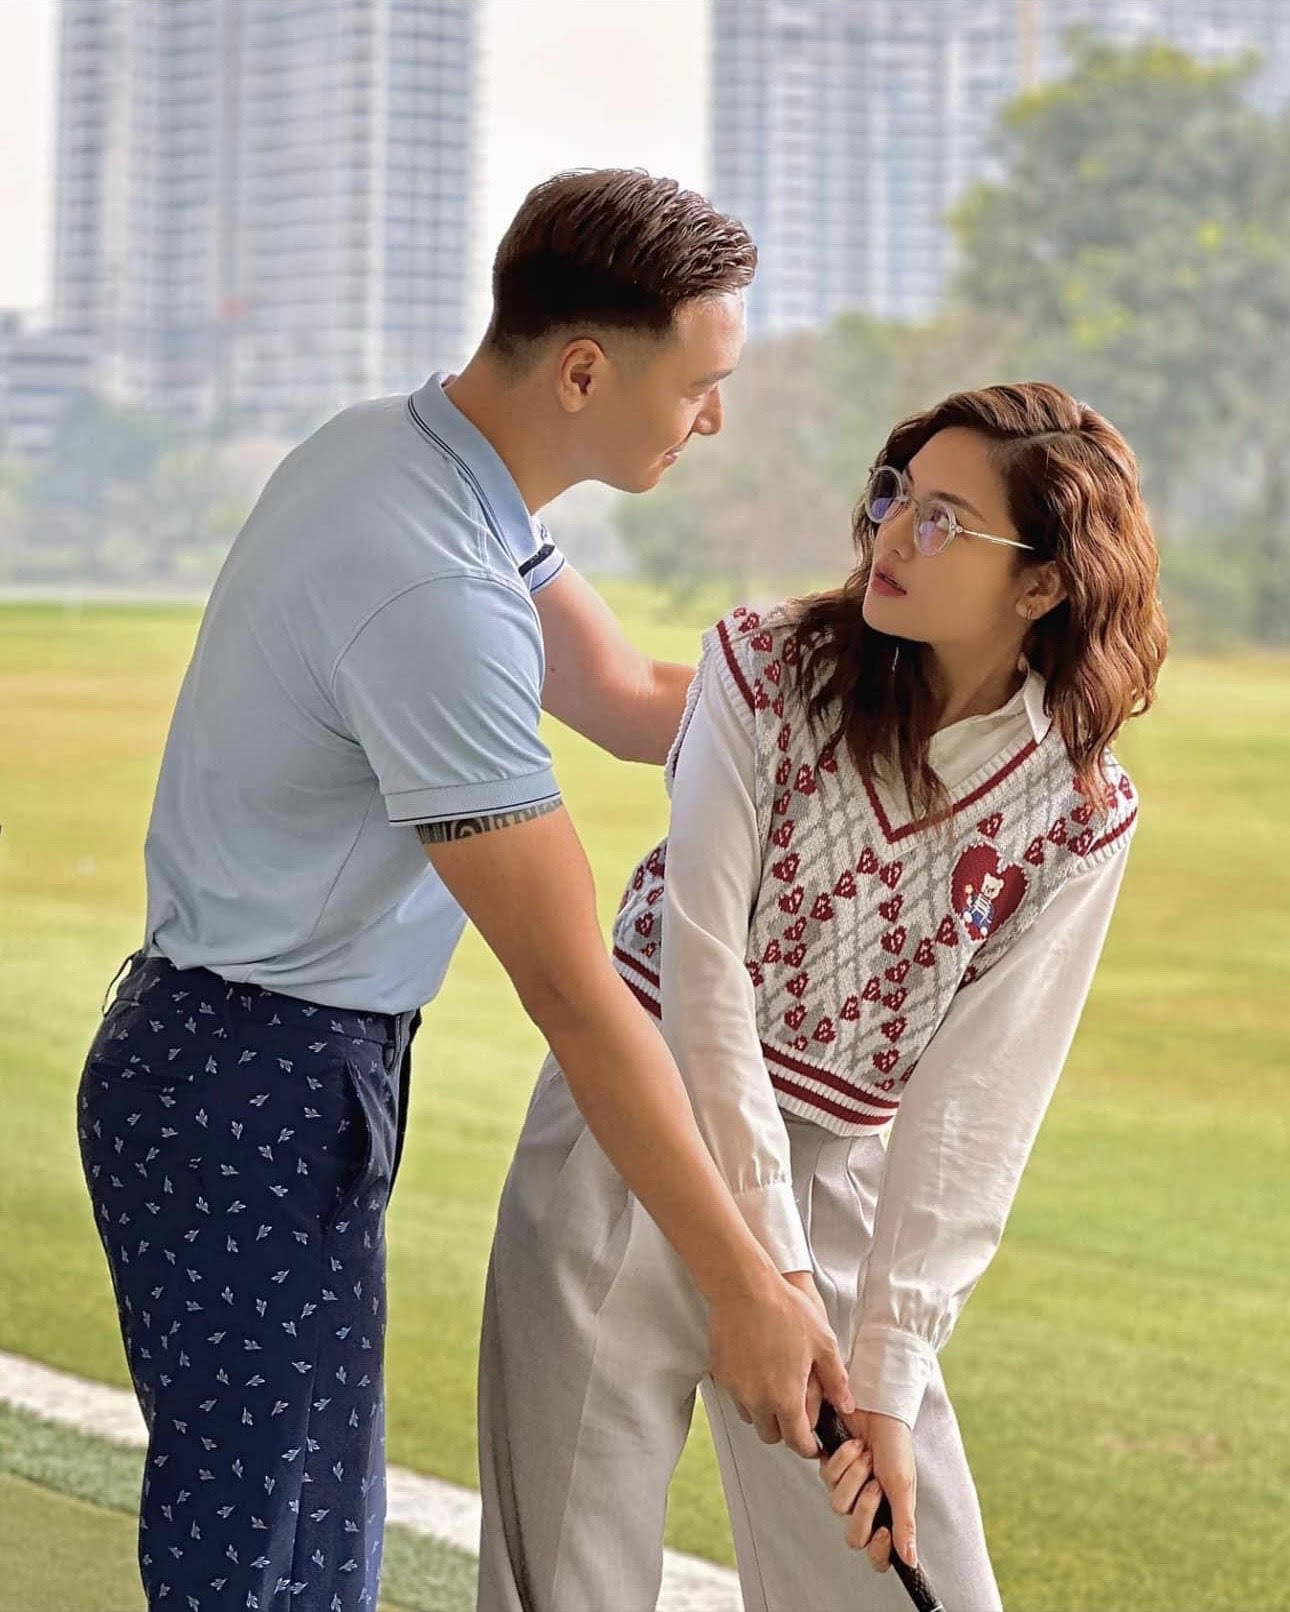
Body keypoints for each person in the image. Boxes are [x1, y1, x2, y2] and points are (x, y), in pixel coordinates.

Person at [76, 168, 854, 1612]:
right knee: (262, 1578)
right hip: (251, 1086)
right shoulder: (431, 585)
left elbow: (632, 702)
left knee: (307, 1558)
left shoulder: (411, 456)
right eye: (701, 385)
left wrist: (887, 683)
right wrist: (749, 1283)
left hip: (255, 1061)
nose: (712, 420)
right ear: (584, 372)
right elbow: (573, 991)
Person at [477, 382, 1168, 1611]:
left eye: (945, 520)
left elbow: (976, 1114)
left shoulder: (1079, 810)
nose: (893, 532)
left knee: (910, 1581)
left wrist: (886, 1377)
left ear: (1043, 584)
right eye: (898, 496)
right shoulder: (762, 666)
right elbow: (702, 979)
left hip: (833, 1182)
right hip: (625, 1144)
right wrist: (768, 1282)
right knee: (566, 1588)